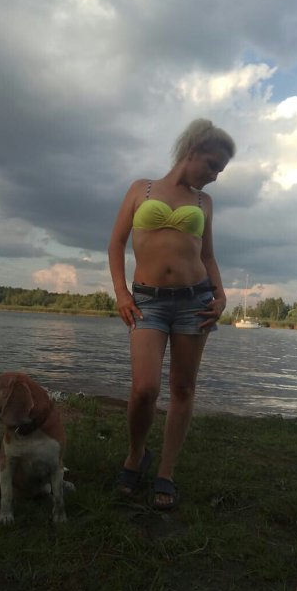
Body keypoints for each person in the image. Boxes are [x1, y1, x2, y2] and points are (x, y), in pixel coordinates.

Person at [108, 118, 235, 510]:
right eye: (212, 165)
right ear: (192, 151)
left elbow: (207, 255)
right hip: (147, 301)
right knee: (144, 389)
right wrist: (121, 293)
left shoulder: (203, 203)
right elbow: (116, 244)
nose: (214, 176)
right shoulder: (141, 189)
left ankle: (166, 471)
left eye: (220, 171)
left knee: (183, 389)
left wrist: (221, 295)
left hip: (195, 302)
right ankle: (136, 454)